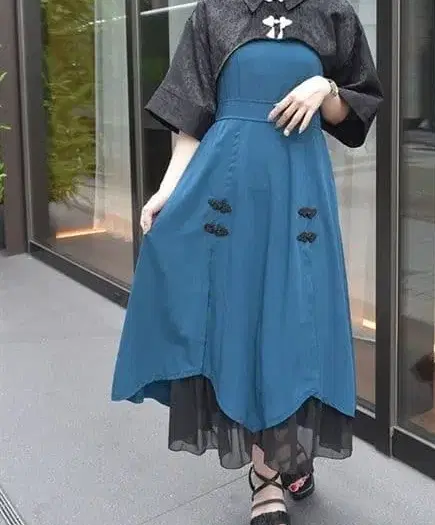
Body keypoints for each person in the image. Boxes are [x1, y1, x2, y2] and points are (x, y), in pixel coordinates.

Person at [111, 1, 382, 524]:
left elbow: (355, 110)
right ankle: (267, 475)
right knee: (242, 319)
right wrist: (168, 190)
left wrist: (324, 89)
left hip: (298, 189)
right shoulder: (216, 12)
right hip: (230, 188)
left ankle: (284, 450)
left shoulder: (331, 12)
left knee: (293, 319)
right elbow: (191, 117)